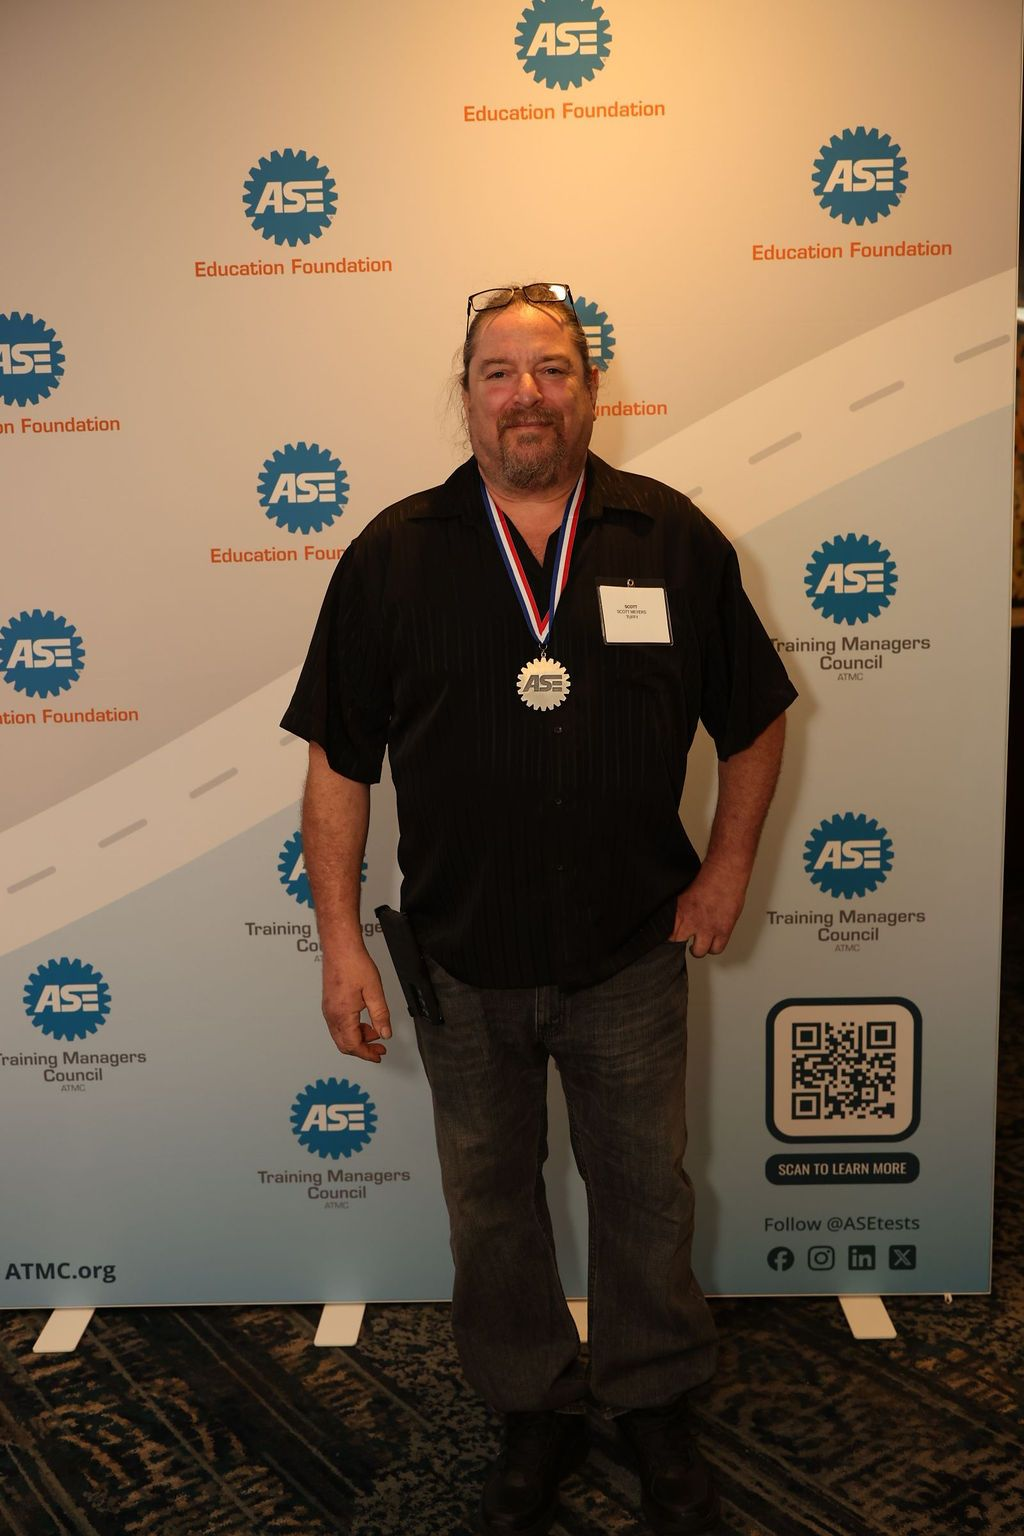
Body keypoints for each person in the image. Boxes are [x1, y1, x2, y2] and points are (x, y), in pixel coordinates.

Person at [282, 282, 797, 1536]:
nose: (528, 395)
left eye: (553, 370)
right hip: (463, 964)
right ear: (464, 395)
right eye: (502, 372)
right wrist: (342, 943)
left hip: (629, 954)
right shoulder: (393, 556)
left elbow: (757, 719)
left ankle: (655, 1401)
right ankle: (531, 1410)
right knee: (492, 1208)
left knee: (646, 1195)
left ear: (590, 388)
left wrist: (724, 873)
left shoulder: (673, 540)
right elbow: (339, 763)